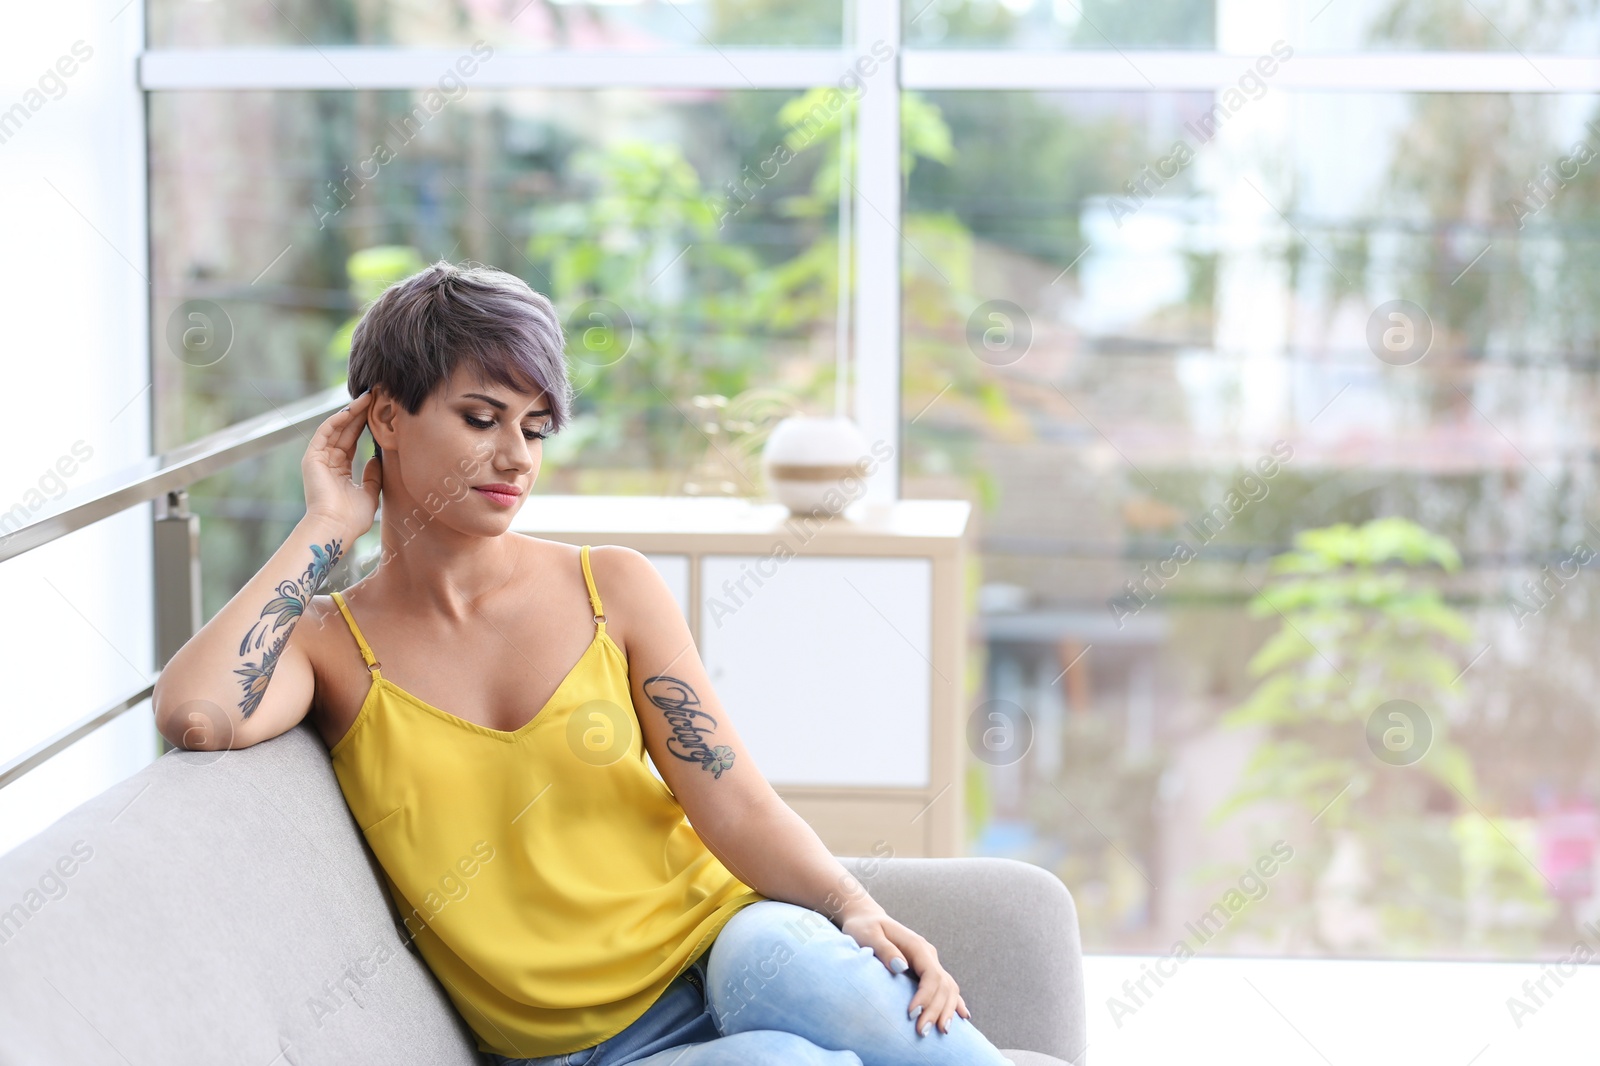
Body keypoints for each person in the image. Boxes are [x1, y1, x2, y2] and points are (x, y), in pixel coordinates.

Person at [152, 261, 1015, 1066]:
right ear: (385, 417)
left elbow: (736, 802)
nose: (518, 456)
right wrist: (326, 527)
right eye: (481, 418)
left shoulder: (612, 586)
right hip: (583, 1049)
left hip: (721, 941)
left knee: (814, 970)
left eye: (534, 427)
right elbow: (199, 715)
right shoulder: (330, 645)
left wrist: (851, 907)